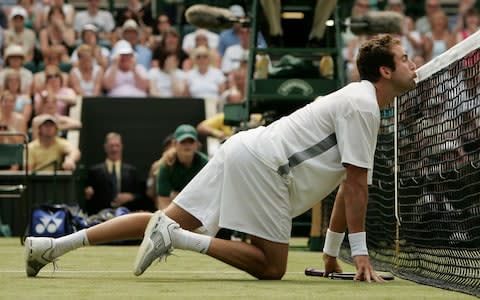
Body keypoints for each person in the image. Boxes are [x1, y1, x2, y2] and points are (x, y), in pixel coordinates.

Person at [24, 35, 417, 282]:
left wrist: (332, 254)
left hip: (245, 150)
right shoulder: (364, 105)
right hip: (266, 166)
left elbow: (345, 183)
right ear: (385, 71)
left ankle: (51, 247)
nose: (413, 64)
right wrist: (361, 254)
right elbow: (353, 186)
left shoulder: (360, 102)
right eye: (405, 58)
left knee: (163, 219)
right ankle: (180, 239)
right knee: (271, 267)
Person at [84, 132, 143, 216]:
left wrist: (130, 197)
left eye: (117, 145)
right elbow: (88, 197)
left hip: (126, 214)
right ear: (105, 147)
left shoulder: (132, 171)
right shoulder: (94, 171)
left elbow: (140, 195)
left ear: (121, 147)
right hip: (101, 215)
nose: (114, 149)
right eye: (111, 146)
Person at [154, 124, 208, 210]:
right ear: (175, 144)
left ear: (197, 144)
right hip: (173, 208)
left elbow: (209, 194)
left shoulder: (205, 163)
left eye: (191, 141)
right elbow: (163, 200)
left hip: (200, 208)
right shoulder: (166, 165)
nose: (187, 145)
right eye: (183, 141)